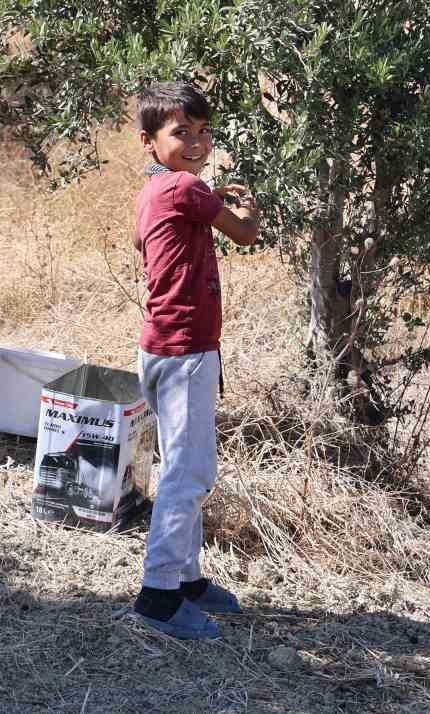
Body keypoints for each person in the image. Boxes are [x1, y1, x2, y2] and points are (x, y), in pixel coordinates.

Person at [130, 81, 260, 641]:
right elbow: (247, 234)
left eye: (204, 132)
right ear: (149, 140)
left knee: (181, 463)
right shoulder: (185, 187)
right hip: (186, 351)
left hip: (162, 347)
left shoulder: (156, 191)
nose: (197, 143)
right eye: (181, 133)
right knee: (189, 473)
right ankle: (159, 596)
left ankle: (187, 579)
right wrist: (246, 205)